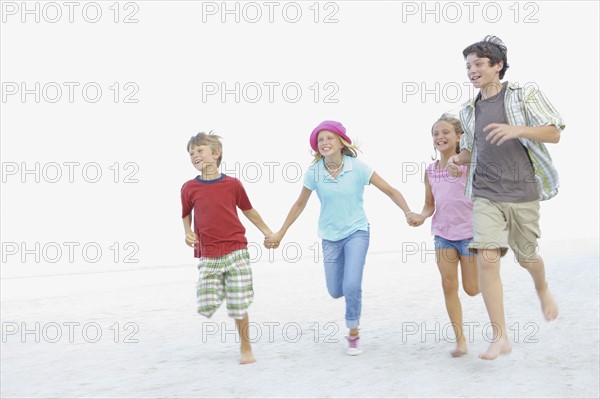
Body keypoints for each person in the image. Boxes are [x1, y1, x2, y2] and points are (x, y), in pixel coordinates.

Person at [448, 35, 564, 360]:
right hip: (485, 193)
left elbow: (554, 131)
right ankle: (500, 336)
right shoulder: (468, 110)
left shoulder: (523, 94)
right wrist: (458, 160)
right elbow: (472, 149)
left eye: (478, 64)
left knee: (527, 258)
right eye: (468, 65)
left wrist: (517, 130)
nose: (472, 70)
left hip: (523, 192)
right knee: (486, 258)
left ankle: (542, 287)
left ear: (497, 66)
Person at [265, 120, 413, 356]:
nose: (324, 143)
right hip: (330, 237)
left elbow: (391, 190)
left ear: (342, 141)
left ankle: (353, 333)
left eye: (329, 138)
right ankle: (349, 292)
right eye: (320, 139)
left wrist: (407, 212)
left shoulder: (359, 168)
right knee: (336, 290)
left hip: (357, 232)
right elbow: (299, 204)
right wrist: (281, 233)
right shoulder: (314, 172)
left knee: (352, 284)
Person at [181, 132, 274, 365]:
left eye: (200, 150)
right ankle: (226, 290)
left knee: (238, 304)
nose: (195, 156)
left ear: (216, 153)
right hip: (209, 253)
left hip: (236, 249)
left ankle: (246, 346)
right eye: (191, 153)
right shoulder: (189, 187)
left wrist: (267, 231)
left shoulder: (232, 184)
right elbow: (185, 214)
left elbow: (248, 210)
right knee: (206, 304)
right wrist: (187, 232)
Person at [408, 114, 479, 357]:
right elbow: (430, 205)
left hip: (469, 235)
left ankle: (489, 278)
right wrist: (421, 216)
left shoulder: (469, 165)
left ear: (459, 136)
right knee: (448, 285)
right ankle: (461, 341)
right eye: (436, 134)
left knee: (472, 289)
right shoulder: (430, 171)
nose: (440, 137)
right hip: (443, 235)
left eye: (446, 132)